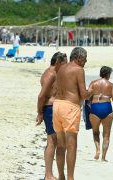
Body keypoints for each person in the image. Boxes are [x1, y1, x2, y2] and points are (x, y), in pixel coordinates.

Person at [53, 47, 92, 180]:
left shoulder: (61, 68)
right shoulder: (78, 70)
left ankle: (61, 176)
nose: (86, 61)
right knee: (71, 145)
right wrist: (91, 90)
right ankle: (70, 177)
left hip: (57, 105)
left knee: (60, 145)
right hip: (70, 108)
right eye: (85, 58)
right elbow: (84, 94)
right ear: (78, 58)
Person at [36, 52, 67, 180]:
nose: (66, 66)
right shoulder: (51, 74)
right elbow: (41, 96)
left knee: (54, 142)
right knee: (52, 141)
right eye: (65, 63)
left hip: (53, 109)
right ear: (58, 62)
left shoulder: (54, 73)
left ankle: (51, 174)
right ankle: (48, 174)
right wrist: (40, 113)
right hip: (50, 109)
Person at [88, 66, 113, 161]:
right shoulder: (111, 85)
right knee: (106, 135)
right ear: (108, 74)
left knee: (95, 132)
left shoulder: (93, 83)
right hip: (107, 108)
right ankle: (103, 157)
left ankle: (97, 150)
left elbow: (87, 96)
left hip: (95, 107)